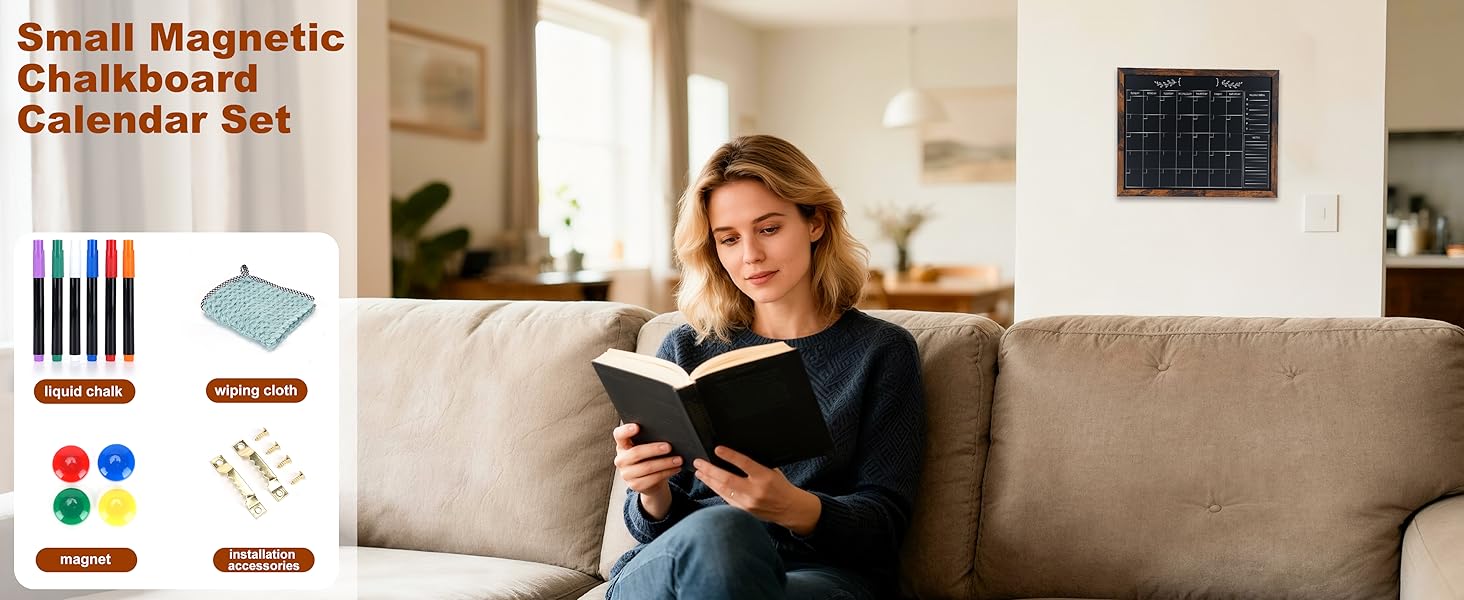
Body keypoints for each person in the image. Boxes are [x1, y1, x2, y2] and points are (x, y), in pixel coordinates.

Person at [607, 134, 925, 600]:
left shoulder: (881, 351)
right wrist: (650, 491)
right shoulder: (687, 348)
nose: (750, 255)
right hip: (683, 562)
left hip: (816, 575)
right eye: (729, 239)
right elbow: (651, 528)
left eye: (769, 229)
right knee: (722, 533)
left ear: (815, 222)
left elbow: (885, 525)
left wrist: (794, 507)